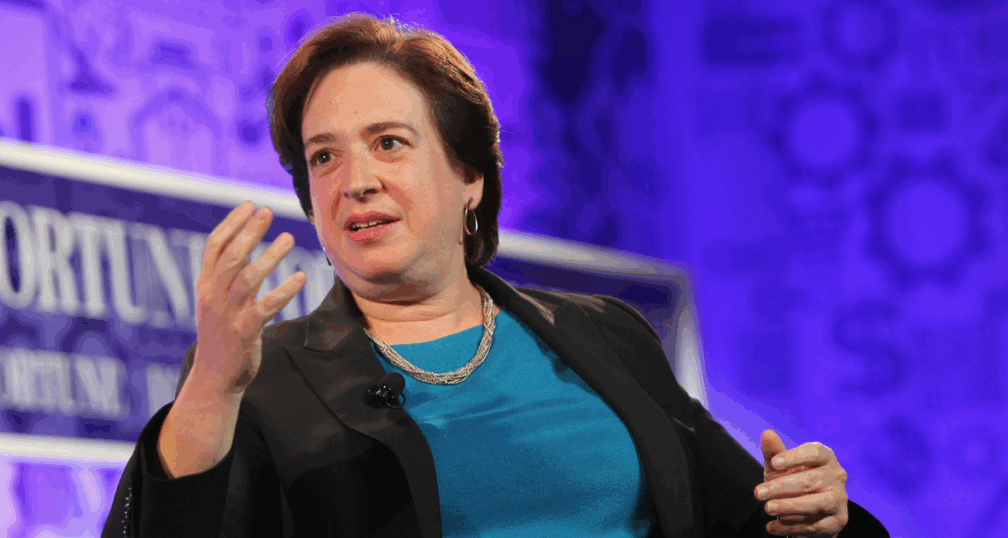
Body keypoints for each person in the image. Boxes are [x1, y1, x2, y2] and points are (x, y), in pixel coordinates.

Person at [102, 13, 889, 538]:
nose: (356, 181)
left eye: (388, 143)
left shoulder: (604, 336)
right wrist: (209, 393)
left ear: (469, 176)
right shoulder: (261, 380)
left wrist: (818, 513)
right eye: (325, 157)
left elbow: (749, 518)